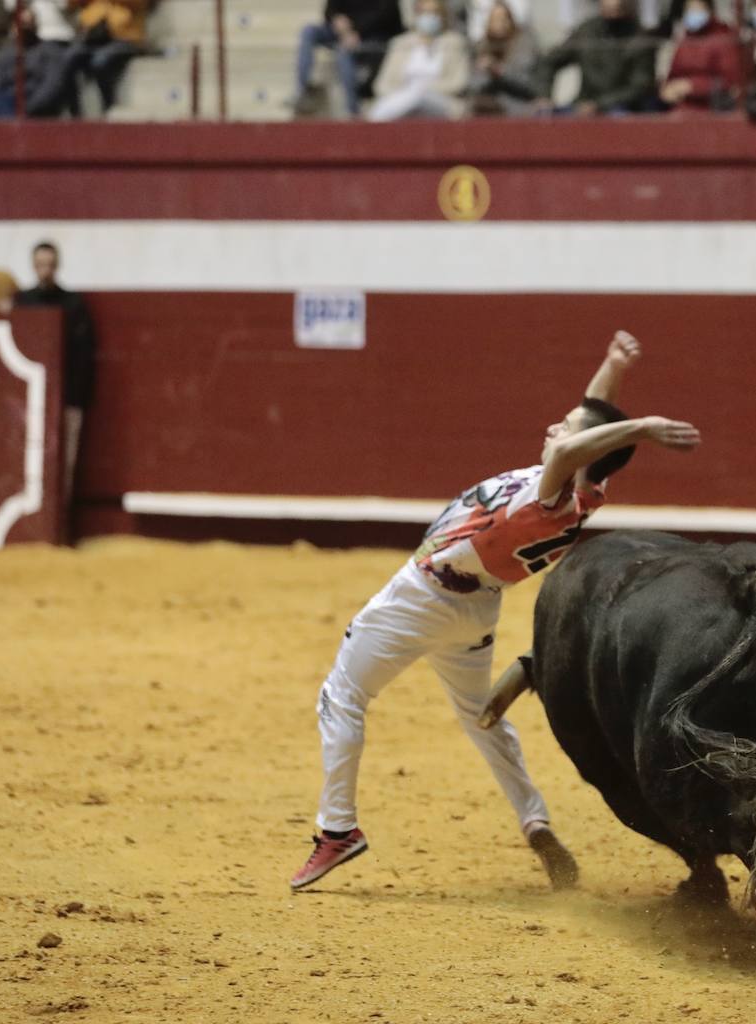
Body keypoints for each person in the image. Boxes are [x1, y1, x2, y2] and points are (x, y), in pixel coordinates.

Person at [289, 331, 702, 892]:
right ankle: (535, 819)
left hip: (423, 595)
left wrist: (644, 427)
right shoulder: (587, 491)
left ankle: (337, 828)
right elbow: (588, 430)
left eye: (567, 425)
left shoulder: (550, 492)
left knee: (341, 695)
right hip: (475, 611)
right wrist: (612, 367)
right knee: (482, 718)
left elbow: (572, 444)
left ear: (585, 451)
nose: (554, 427)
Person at [14, 242, 96, 534]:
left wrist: (75, 399)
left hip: (67, 397)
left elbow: (83, 358)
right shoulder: (22, 301)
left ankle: (60, 527)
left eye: (49, 264)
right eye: (40, 264)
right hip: (28, 406)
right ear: (33, 266)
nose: (45, 270)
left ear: (57, 265)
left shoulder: (73, 304)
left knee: (66, 464)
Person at [533, 0, 657, 115]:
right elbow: (549, 62)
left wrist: (599, 105)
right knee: (543, 117)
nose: (613, 6)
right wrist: (544, 96)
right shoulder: (587, 31)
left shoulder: (640, 38)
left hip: (622, 108)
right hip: (582, 104)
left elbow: (641, 86)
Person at [26, 0, 149, 115]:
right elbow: (71, 5)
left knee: (100, 61)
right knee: (69, 58)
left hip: (126, 38)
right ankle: (76, 114)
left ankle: (109, 106)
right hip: (94, 37)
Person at [290, 0, 404, 118]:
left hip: (373, 35)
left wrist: (358, 32)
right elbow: (330, 10)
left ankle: (353, 108)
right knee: (308, 31)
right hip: (343, 33)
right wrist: (336, 19)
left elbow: (386, 15)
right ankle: (302, 92)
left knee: (343, 51)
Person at [367, 0, 469, 120]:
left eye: (434, 12)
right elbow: (381, 85)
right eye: (424, 12)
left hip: (441, 100)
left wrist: (424, 88)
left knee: (419, 95)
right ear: (416, 15)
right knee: (409, 97)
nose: (429, 17)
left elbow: (459, 82)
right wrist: (405, 92)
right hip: (402, 99)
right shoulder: (400, 43)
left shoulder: (455, 42)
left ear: (443, 15)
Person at [0, 0, 76, 117]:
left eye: (28, 23)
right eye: (21, 24)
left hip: (35, 108)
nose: (24, 27)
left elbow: (52, 85)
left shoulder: (50, 52)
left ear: (35, 24)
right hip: (6, 105)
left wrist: (27, 108)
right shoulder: (5, 54)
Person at [658, 0, 743, 110]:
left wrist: (692, 86)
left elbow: (729, 82)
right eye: (690, 9)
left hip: (714, 108)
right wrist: (668, 88)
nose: (693, 13)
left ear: (710, 11)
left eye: (698, 8)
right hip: (682, 108)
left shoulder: (723, 38)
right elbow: (673, 74)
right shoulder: (685, 39)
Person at [469, 0, 540, 115]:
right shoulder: (481, 46)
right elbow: (472, 84)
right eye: (495, 19)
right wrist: (483, 70)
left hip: (518, 102)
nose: (500, 23)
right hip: (486, 104)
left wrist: (498, 70)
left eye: (504, 19)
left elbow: (526, 82)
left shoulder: (524, 44)